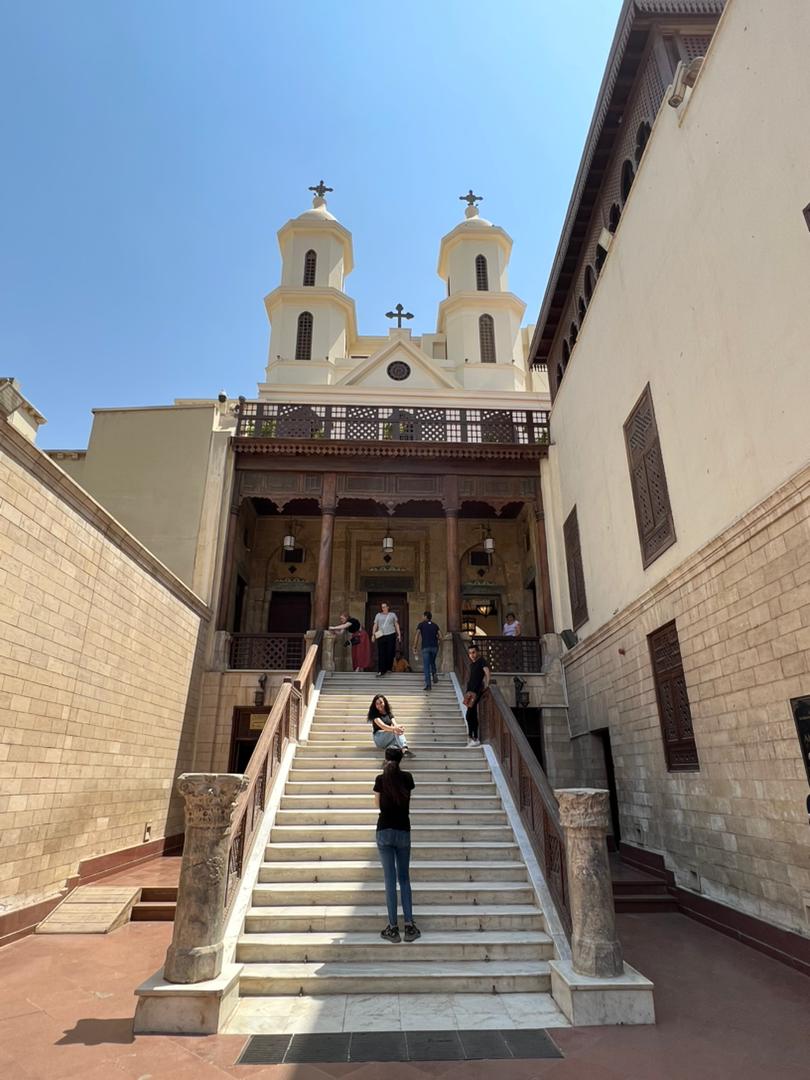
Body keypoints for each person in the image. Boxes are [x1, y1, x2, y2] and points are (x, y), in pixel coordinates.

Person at [374, 746, 421, 943]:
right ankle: (409, 925)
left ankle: (393, 928)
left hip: (384, 831)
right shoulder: (407, 778)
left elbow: (377, 804)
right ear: (401, 759)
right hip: (403, 830)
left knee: (389, 880)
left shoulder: (380, 779)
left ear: (386, 759)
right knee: (404, 878)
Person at [463, 643, 490, 747]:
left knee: (469, 715)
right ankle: (475, 738)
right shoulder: (472, 664)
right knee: (472, 714)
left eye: (473, 652)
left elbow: (487, 672)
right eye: (470, 653)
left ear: (477, 652)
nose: (472, 655)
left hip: (476, 691)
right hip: (470, 692)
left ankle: (472, 737)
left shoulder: (481, 661)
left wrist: (487, 684)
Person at [413, 610, 440, 691]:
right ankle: (434, 672)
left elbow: (417, 635)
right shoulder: (435, 625)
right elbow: (441, 636)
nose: (422, 617)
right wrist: (437, 641)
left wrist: (414, 646)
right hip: (435, 647)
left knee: (426, 666)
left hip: (425, 647)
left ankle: (428, 685)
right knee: (432, 661)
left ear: (425, 616)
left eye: (423, 616)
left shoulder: (421, 625)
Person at [372, 601, 401, 677]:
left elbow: (396, 624)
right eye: (382, 607)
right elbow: (375, 625)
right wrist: (373, 634)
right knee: (381, 653)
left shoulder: (392, 615)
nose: (383, 608)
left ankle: (388, 667)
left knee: (390, 652)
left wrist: (399, 634)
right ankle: (381, 670)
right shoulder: (378, 615)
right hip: (381, 635)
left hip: (391, 634)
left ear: (388, 607)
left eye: (384, 607)